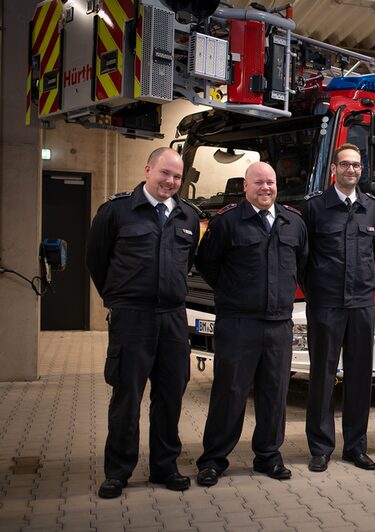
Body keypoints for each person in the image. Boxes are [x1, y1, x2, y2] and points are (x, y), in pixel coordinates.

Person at [87, 147, 200, 498]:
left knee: (170, 396)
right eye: (165, 173)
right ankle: (118, 471)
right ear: (148, 169)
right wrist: (117, 300)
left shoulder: (188, 216)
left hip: (172, 318)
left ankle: (165, 467)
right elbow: (96, 260)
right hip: (132, 318)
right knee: (127, 394)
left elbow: (189, 261)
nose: (170, 182)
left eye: (177, 177)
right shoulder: (116, 211)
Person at [194, 162, 307, 487]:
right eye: (258, 183)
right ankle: (213, 460)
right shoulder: (227, 221)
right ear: (245, 187)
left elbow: (301, 262)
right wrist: (233, 294)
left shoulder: (293, 223)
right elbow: (207, 263)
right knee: (229, 393)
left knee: (274, 393)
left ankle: (269, 457)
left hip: (278, 326)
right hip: (238, 324)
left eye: (270, 182)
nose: (265, 188)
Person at [302, 143, 375, 472]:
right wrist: (316, 292)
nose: (352, 170)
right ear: (334, 168)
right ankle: (320, 448)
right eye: (346, 164)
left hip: (362, 304)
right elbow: (302, 258)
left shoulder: (372, 208)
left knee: (360, 378)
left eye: (357, 165)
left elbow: (372, 254)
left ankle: (355, 447)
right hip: (326, 305)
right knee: (321, 376)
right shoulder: (316, 207)